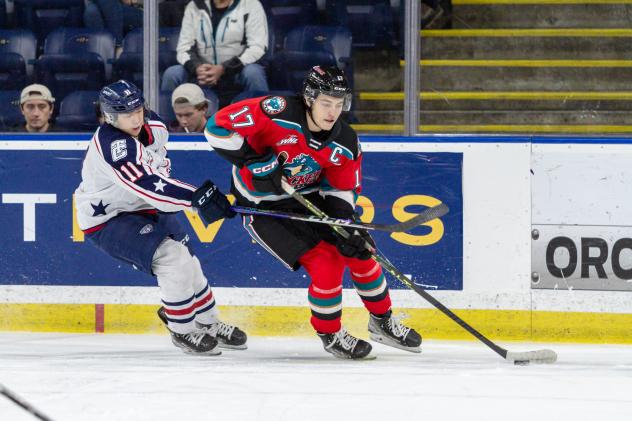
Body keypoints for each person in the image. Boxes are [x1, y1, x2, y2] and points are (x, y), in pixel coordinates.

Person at [203, 66, 422, 360]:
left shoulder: (345, 140)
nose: (333, 111)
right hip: (263, 207)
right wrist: (254, 160)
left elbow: (341, 190)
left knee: (361, 252)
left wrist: (343, 221)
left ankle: (382, 323)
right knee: (327, 263)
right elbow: (216, 127)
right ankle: (330, 334)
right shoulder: (276, 111)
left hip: (310, 197)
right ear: (309, 98)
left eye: (339, 103)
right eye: (326, 103)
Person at [74, 79, 246, 355]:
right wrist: (195, 197)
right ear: (109, 116)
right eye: (125, 114)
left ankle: (208, 323)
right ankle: (181, 329)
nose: (135, 119)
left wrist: (195, 198)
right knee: (172, 259)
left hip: (144, 206)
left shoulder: (154, 126)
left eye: (137, 110)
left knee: (189, 261)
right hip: (109, 218)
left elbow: (159, 175)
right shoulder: (114, 147)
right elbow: (148, 184)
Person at [161, 0, 269, 108]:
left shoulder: (250, 4)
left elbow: (257, 47)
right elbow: (184, 47)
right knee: (173, 74)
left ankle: (263, 119)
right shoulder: (194, 6)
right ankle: (168, 122)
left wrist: (223, 68)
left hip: (237, 71)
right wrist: (197, 68)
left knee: (253, 73)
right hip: (202, 73)